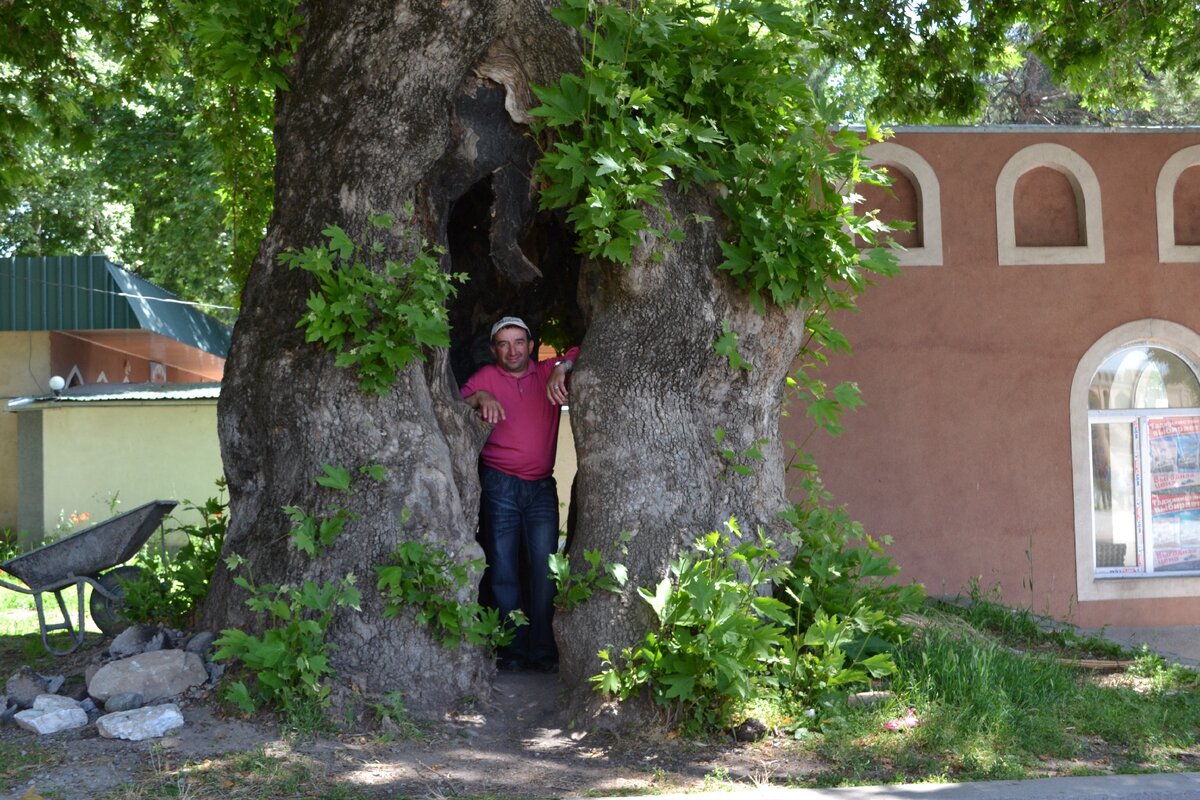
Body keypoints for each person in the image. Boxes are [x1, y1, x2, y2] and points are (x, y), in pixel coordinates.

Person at [461, 316, 578, 672]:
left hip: (542, 487)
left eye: (519, 342)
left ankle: (543, 651)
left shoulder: (545, 372)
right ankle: (511, 650)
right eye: (503, 343)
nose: (512, 350)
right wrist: (480, 396)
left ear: (530, 345)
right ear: (494, 349)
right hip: (499, 486)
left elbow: (576, 350)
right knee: (503, 570)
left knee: (545, 570)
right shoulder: (485, 377)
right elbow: (456, 402)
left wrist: (562, 369)